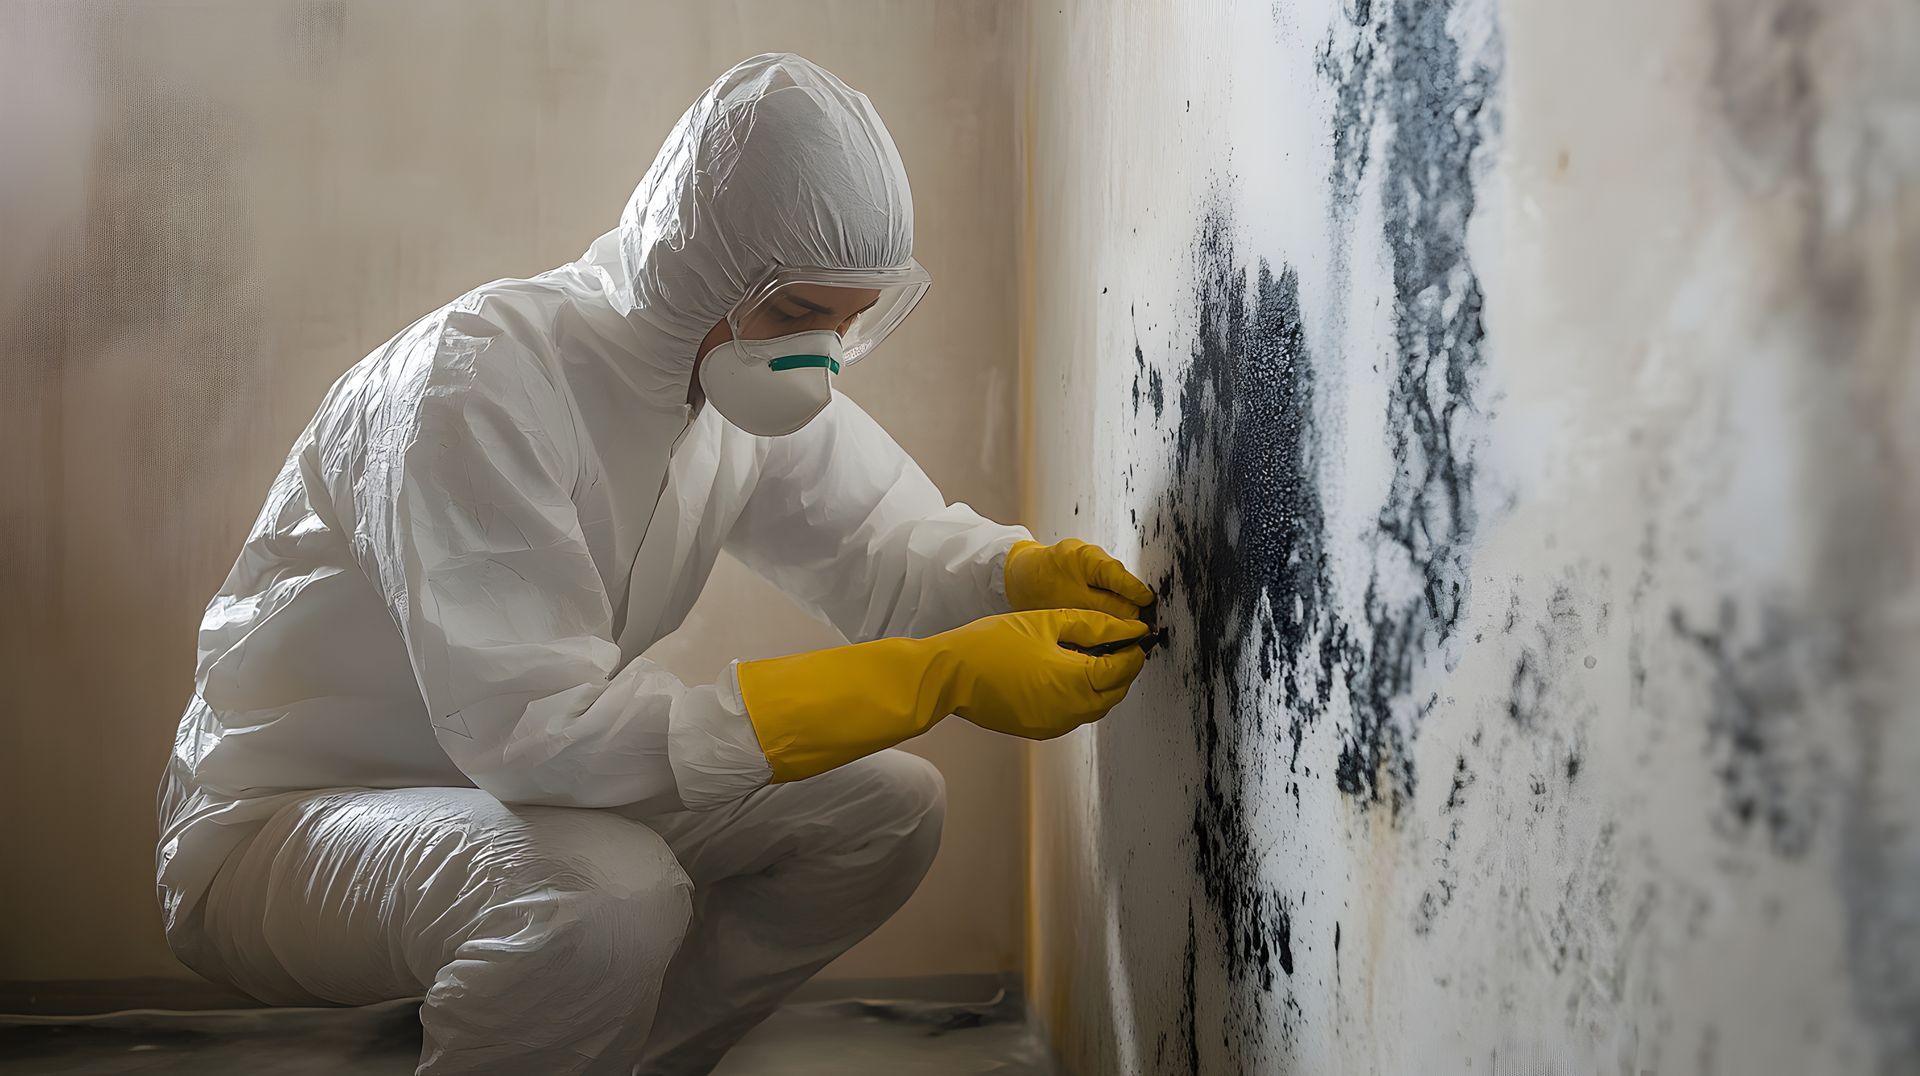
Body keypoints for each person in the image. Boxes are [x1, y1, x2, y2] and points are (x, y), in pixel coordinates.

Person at [155, 53, 1154, 1075]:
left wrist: (1016, 577)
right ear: (701, 267)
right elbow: (535, 736)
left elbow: (886, 548)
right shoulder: (474, 386)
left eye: (847, 322)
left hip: (509, 791)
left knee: (887, 808)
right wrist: (933, 675)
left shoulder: (726, 388)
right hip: (289, 823)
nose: (819, 357)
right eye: (799, 314)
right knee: (606, 892)